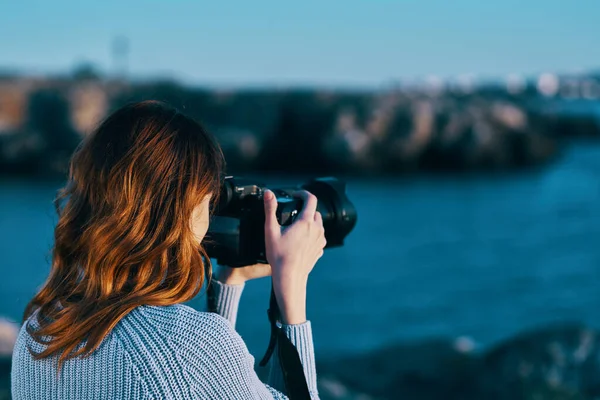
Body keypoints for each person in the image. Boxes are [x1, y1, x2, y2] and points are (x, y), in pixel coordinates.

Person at [11, 100, 326, 399]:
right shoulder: (188, 345)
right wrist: (292, 286)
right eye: (208, 201)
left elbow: (188, 382)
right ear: (182, 211)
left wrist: (229, 283)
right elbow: (183, 366)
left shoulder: (39, 333)